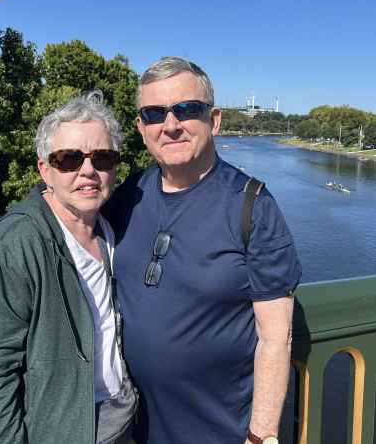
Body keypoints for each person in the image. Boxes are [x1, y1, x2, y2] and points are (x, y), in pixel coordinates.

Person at [104, 57, 302, 444]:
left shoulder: (252, 206)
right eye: (155, 113)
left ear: (214, 120)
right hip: (130, 428)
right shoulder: (126, 196)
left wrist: (261, 435)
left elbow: (276, 337)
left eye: (187, 109)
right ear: (141, 128)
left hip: (220, 431)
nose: (171, 125)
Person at [0, 93, 137, 444]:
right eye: (69, 159)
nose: (88, 170)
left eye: (102, 158)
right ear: (45, 169)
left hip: (124, 419)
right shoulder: (7, 251)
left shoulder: (109, 227)